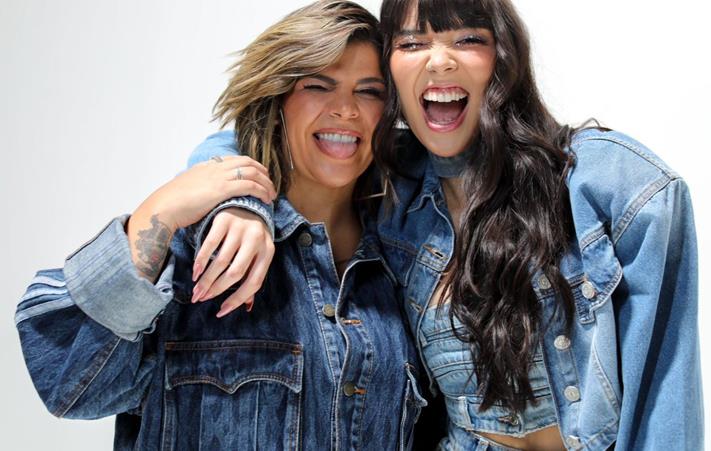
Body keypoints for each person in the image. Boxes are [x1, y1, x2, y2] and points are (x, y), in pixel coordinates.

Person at [189, 1, 703, 450]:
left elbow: (665, 396)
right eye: (413, 43)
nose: (439, 60)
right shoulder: (395, 186)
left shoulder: (606, 182)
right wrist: (244, 203)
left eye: (468, 39)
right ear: (391, 73)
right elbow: (257, 134)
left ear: (504, 56)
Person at [15, 1, 428, 450]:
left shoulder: (407, 266)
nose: (345, 109)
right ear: (276, 101)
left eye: (369, 92)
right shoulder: (201, 251)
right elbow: (70, 384)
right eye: (317, 85)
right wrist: (160, 211)